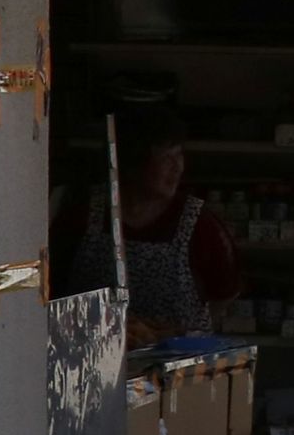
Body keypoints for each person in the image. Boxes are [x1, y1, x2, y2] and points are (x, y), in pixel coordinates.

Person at [53, 106, 243, 341]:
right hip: (90, 359)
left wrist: (185, 333)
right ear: (133, 164)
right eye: (166, 158)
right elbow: (53, 287)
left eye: (179, 155)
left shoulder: (200, 224)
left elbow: (224, 294)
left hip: (175, 365)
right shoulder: (83, 214)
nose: (178, 167)